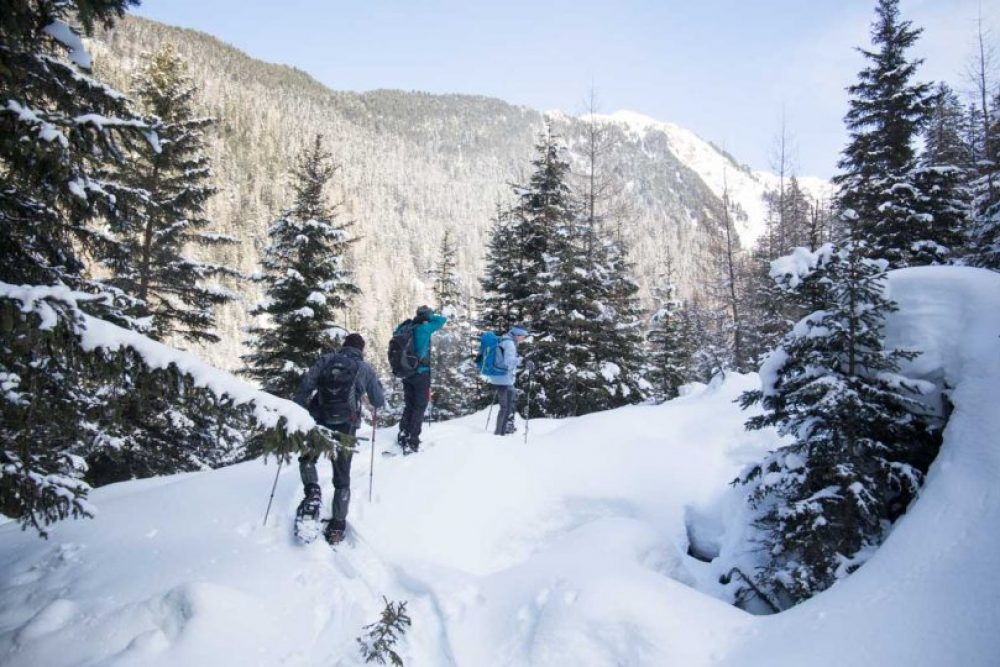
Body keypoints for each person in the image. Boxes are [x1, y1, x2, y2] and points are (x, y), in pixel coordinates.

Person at [293, 332, 385, 545]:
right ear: (361, 350)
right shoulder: (365, 368)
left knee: (307, 458)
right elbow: (378, 400)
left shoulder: (327, 360)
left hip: (319, 419)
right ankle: (338, 524)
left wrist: (296, 408)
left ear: (344, 346)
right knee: (342, 475)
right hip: (347, 425)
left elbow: (307, 384)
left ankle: (312, 492)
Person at [395, 305, 447, 454]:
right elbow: (442, 320)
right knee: (419, 406)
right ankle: (413, 440)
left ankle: (403, 433)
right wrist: (429, 317)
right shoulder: (424, 329)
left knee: (409, 404)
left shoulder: (407, 328)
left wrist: (415, 319)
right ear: (426, 316)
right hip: (421, 373)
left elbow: (395, 332)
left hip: (406, 372)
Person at [486, 326, 532, 436]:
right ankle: (499, 433)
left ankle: (505, 428)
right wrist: (523, 361)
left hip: (500, 377)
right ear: (517, 335)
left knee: (508, 404)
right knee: (505, 407)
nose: (523, 339)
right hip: (503, 379)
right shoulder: (510, 344)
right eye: (523, 337)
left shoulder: (504, 339)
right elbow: (508, 361)